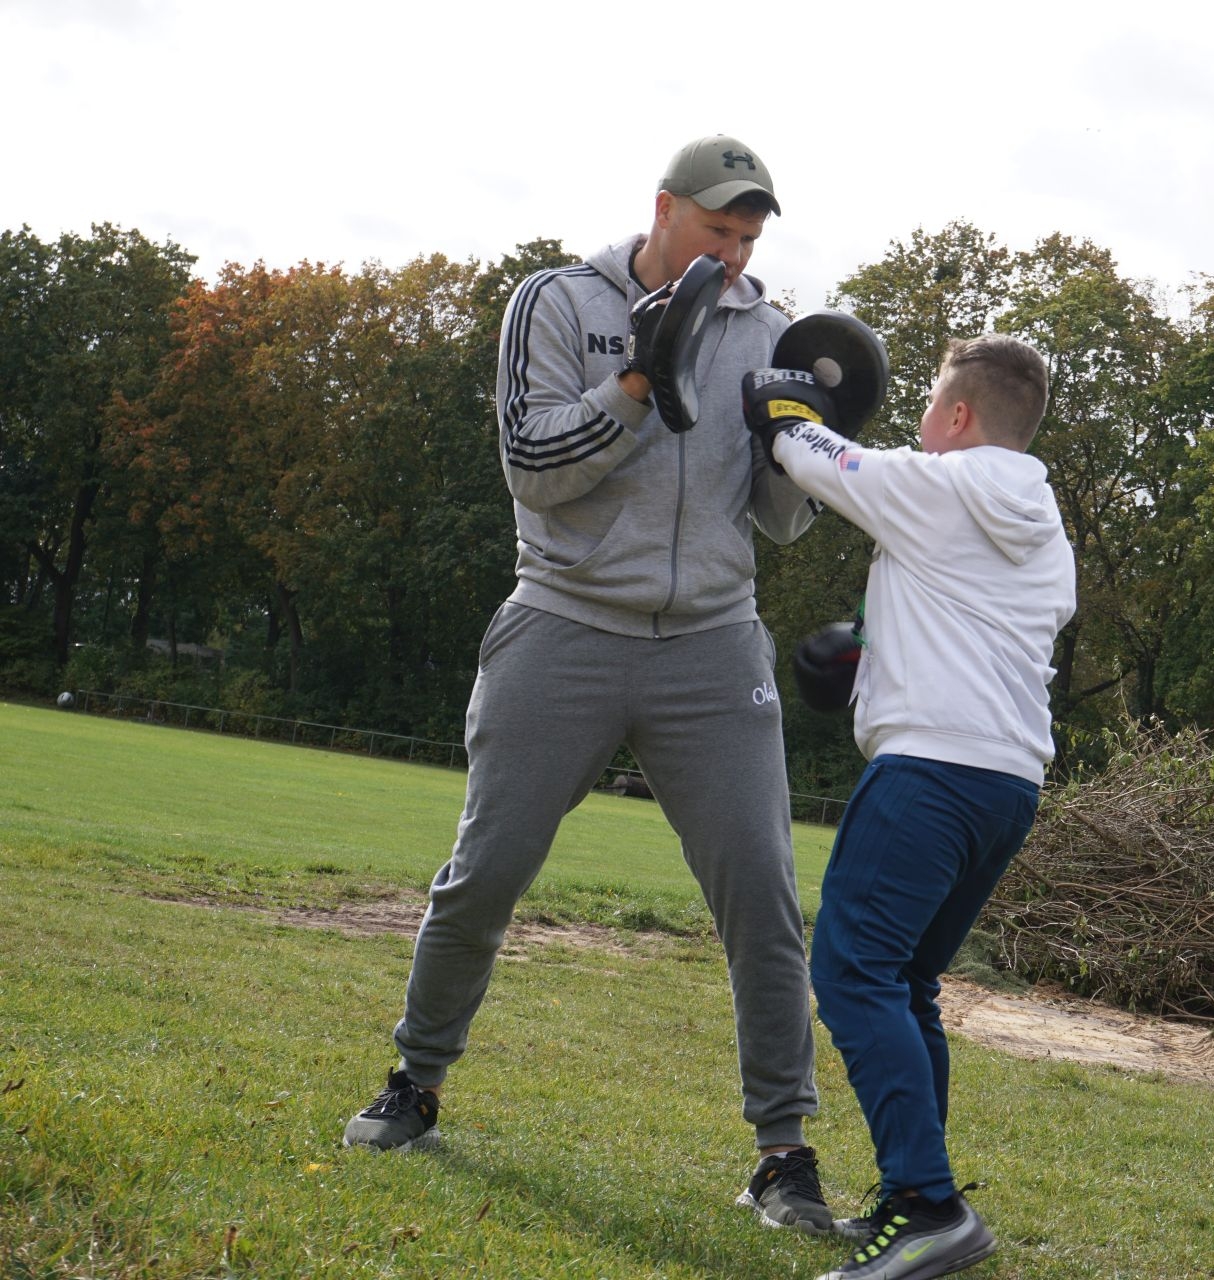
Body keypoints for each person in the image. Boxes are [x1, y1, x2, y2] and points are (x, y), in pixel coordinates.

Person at [342, 134, 843, 1236]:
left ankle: (783, 1154)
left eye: (748, 237)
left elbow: (782, 521)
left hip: (713, 641)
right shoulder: (559, 301)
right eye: (717, 230)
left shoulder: (769, 329)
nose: (733, 255)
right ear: (663, 210)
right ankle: (415, 1081)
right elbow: (534, 471)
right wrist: (639, 379)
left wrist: (809, 439)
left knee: (764, 893)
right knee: (485, 872)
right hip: (564, 621)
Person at [741, 334, 1075, 1280]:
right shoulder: (1045, 527)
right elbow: (974, 621)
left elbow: (806, 452)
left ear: (959, 415)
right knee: (909, 982)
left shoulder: (940, 484)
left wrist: (782, 394)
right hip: (1007, 782)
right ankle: (908, 1198)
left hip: (929, 772)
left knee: (853, 973)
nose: (921, 423)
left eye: (930, 403)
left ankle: (930, 1206)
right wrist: (874, 649)